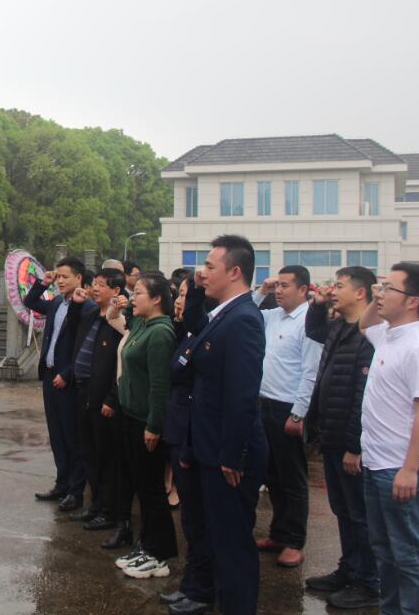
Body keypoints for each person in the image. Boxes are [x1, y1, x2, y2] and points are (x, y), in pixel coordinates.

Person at [179, 235, 268, 615]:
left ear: (235, 272)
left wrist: (233, 455)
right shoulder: (224, 314)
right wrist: (197, 292)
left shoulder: (245, 318)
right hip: (209, 445)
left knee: (233, 544)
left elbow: (242, 395)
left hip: (228, 454)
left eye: (210, 266)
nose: (203, 272)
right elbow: (196, 330)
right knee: (214, 535)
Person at [358, 263, 419, 615]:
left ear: (413, 301)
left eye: (389, 289)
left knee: (412, 559)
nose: (379, 293)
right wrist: (377, 294)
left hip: (404, 470)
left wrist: (410, 469)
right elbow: (363, 325)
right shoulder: (389, 334)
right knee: (385, 554)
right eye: (380, 287)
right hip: (378, 465)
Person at [303, 267, 379, 609]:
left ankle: (367, 581)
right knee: (343, 510)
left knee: (359, 514)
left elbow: (363, 397)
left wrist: (355, 445)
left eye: (340, 285)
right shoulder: (338, 327)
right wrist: (318, 305)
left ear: (361, 293)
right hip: (331, 436)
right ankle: (348, 569)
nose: (333, 289)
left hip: (350, 443)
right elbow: (314, 329)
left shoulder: (371, 335)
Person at [107, 273, 178, 579]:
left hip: (146, 422)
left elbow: (161, 386)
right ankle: (147, 544)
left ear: (157, 298)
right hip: (129, 415)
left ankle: (160, 552)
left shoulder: (161, 332)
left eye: (138, 293)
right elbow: (113, 317)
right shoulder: (142, 325)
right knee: (140, 485)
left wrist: (154, 425)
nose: (132, 298)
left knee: (151, 489)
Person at [251, 267, 323, 568]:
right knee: (272, 475)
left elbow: (310, 371)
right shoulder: (273, 315)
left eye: (285, 285)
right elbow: (246, 311)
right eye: (277, 285)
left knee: (292, 479)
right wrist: (261, 291)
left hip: (288, 409)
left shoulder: (309, 322)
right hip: (264, 404)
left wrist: (298, 413)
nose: (279, 290)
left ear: (303, 289)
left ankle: (295, 541)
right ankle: (278, 534)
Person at [159, 276, 216, 614]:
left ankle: (201, 588)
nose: (179, 301)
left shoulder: (206, 334)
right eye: (178, 295)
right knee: (192, 524)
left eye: (185, 295)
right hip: (179, 430)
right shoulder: (189, 334)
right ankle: (191, 585)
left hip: (191, 436)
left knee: (198, 520)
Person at [24, 257, 94, 511]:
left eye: (66, 276)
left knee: (72, 436)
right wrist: (43, 283)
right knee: (56, 435)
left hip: (68, 380)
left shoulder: (86, 307)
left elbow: (85, 347)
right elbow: (29, 302)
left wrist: (68, 373)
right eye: (59, 276)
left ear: (79, 278)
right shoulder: (55, 304)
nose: (61, 280)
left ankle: (76, 491)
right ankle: (61, 483)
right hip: (49, 376)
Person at [64, 269, 127, 542]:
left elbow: (121, 365)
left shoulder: (119, 322)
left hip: (103, 398)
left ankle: (110, 510)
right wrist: (77, 305)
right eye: (96, 284)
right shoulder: (91, 314)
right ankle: (96, 505)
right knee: (88, 452)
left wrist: (112, 398)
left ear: (116, 291)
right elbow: (71, 328)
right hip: (83, 392)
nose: (96, 288)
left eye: (102, 285)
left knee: (106, 457)